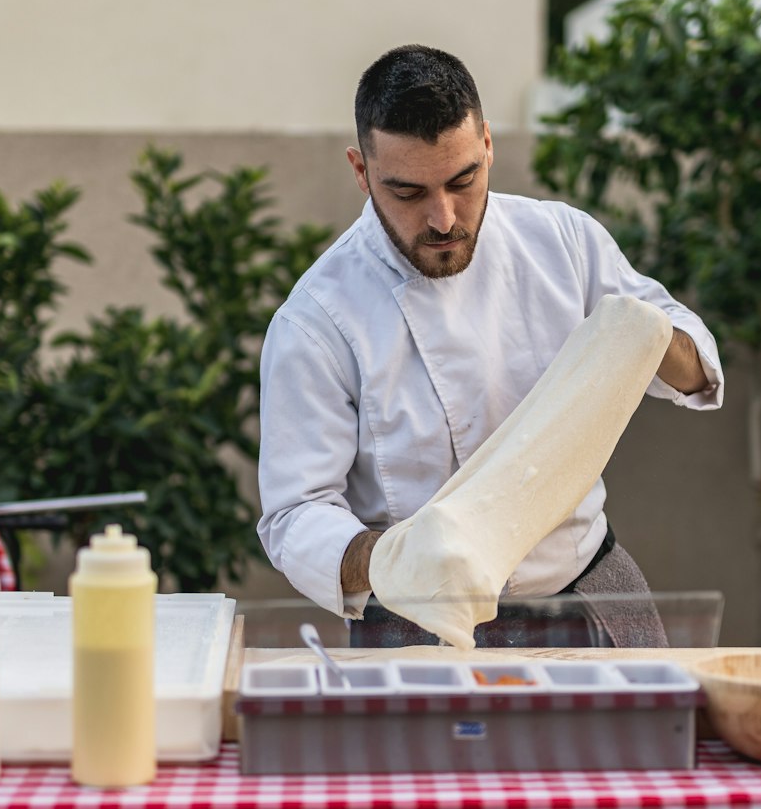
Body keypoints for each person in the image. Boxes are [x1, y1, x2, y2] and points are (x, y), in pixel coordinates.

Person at [257, 45, 724, 647]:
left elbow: (697, 368)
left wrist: (647, 337)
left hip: (589, 589)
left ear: (487, 146)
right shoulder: (317, 321)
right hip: (417, 620)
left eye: (463, 180)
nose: (444, 218)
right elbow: (294, 515)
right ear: (361, 170)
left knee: (654, 744)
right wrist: (393, 560)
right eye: (407, 193)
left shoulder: (563, 241)